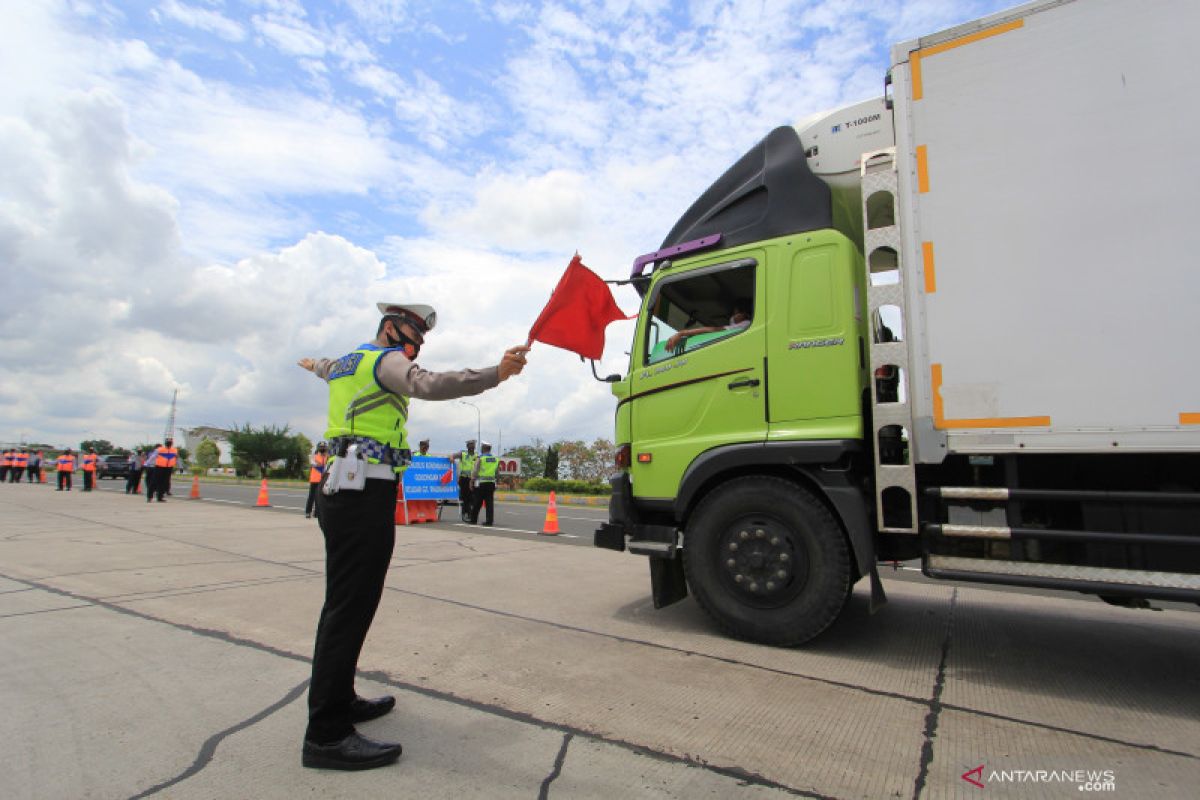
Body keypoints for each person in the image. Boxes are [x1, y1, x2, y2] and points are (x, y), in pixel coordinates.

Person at [296, 300, 529, 771]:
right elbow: (430, 384)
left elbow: (322, 367)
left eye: (421, 338)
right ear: (389, 326)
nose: (417, 343)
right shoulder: (385, 361)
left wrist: (311, 363)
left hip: (346, 488)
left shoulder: (345, 362)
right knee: (348, 607)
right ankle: (325, 735)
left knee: (350, 603)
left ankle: (341, 700)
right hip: (362, 493)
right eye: (412, 333)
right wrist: (495, 373)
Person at [665, 303, 751, 352]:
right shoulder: (736, 323)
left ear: (745, 314)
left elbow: (714, 330)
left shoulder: (746, 324)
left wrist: (682, 333)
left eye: (736, 314)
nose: (734, 317)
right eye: (733, 314)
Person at [469, 442, 500, 526]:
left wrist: (471, 481)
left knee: (477, 502)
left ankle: (473, 519)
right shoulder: (496, 459)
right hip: (491, 484)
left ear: (483, 448)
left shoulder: (481, 458)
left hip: (481, 484)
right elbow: (497, 472)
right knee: (489, 503)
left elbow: (475, 471)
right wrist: (497, 482)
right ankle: (489, 521)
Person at [452, 439, 477, 522]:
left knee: (472, 499)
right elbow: (452, 456)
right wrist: (451, 458)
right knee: (465, 498)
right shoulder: (462, 454)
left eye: (473, 445)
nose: (471, 446)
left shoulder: (477, 456)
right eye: (470, 445)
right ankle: (466, 514)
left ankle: (469, 514)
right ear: (467, 446)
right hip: (464, 479)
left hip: (472, 479)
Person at [305, 442, 328, 519]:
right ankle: (308, 512)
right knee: (311, 496)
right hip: (314, 480)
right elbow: (313, 464)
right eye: (321, 447)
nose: (322, 449)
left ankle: (316, 512)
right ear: (318, 448)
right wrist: (321, 465)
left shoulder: (327, 457)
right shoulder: (313, 456)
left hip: (322, 480)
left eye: (324, 447)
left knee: (319, 497)